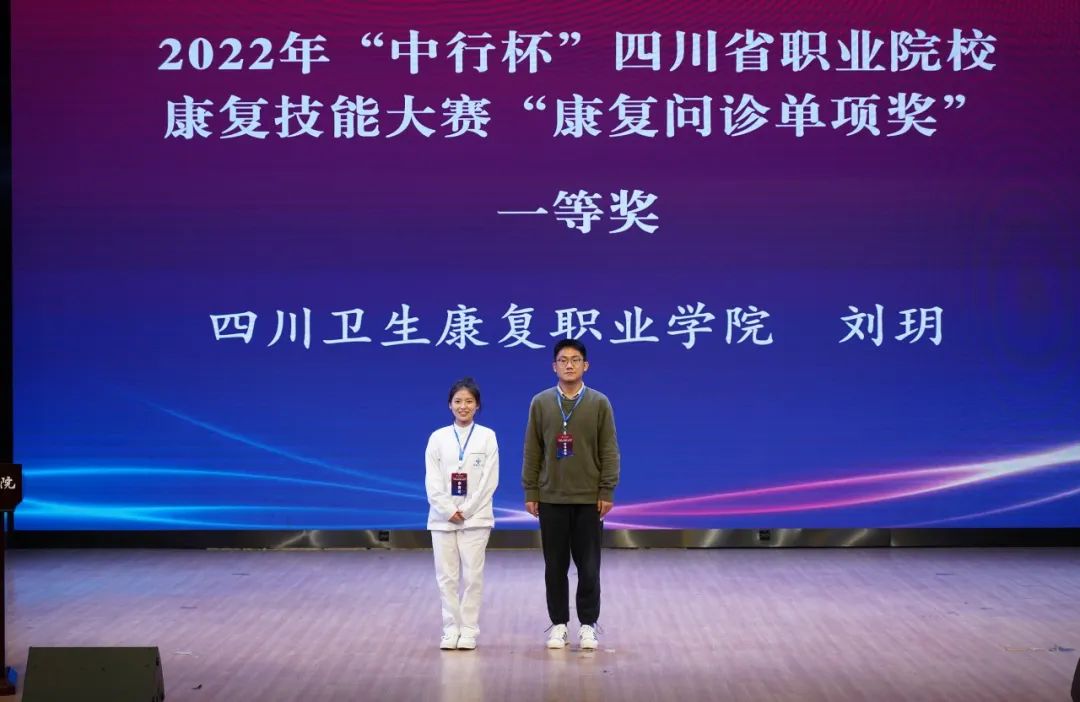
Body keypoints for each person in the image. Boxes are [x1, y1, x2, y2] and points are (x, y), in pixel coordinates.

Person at [522, 339, 620, 650]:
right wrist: (531, 489)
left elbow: (609, 449)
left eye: (575, 360)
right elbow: (532, 449)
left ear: (585, 366)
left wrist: (606, 489)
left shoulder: (599, 402)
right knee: (555, 566)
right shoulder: (540, 402)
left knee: (589, 567)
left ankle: (588, 624)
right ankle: (559, 624)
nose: (569, 365)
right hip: (551, 497)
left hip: (589, 499)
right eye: (563, 360)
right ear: (554, 367)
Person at [425, 377, 499, 651]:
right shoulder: (438, 437)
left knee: (472, 577)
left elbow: (490, 480)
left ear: (477, 405)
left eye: (469, 401)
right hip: (442, 519)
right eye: (458, 401)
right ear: (449, 405)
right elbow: (432, 480)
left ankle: (468, 630)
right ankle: (450, 629)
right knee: (446, 577)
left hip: (475, 518)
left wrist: (466, 510)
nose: (463, 406)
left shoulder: (487, 436)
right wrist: (448, 509)